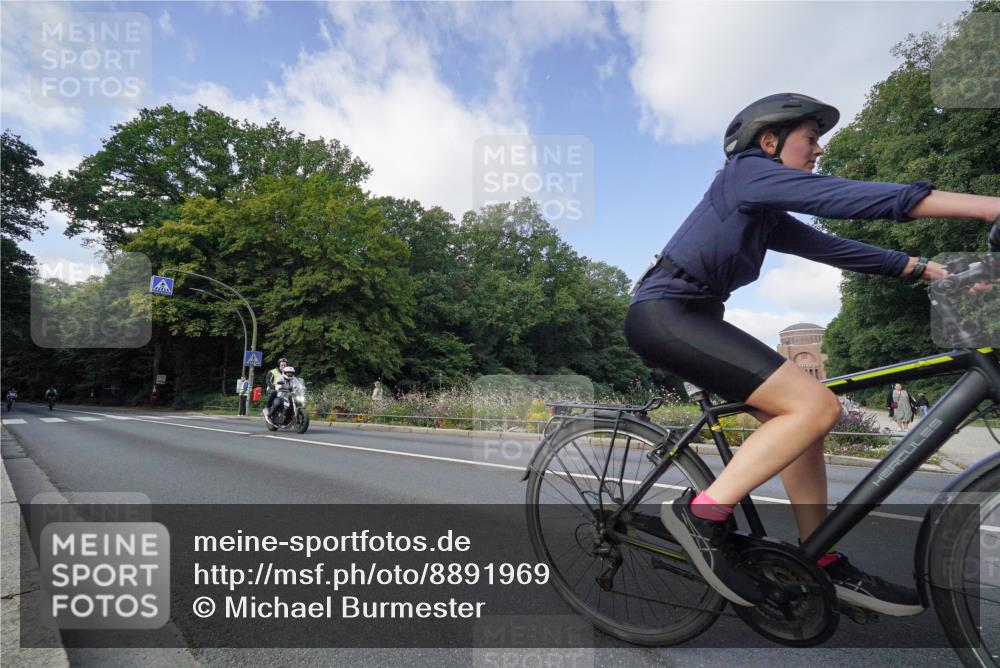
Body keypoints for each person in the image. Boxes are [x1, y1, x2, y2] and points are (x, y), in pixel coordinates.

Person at [627, 93, 1000, 614]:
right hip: (664, 315)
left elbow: (833, 247)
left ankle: (819, 557)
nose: (819, 149)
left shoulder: (762, 210)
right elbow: (843, 197)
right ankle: (701, 515)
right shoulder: (745, 175)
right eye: (811, 137)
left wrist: (922, 267)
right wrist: (989, 205)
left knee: (803, 422)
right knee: (815, 404)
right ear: (769, 141)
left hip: (695, 318)